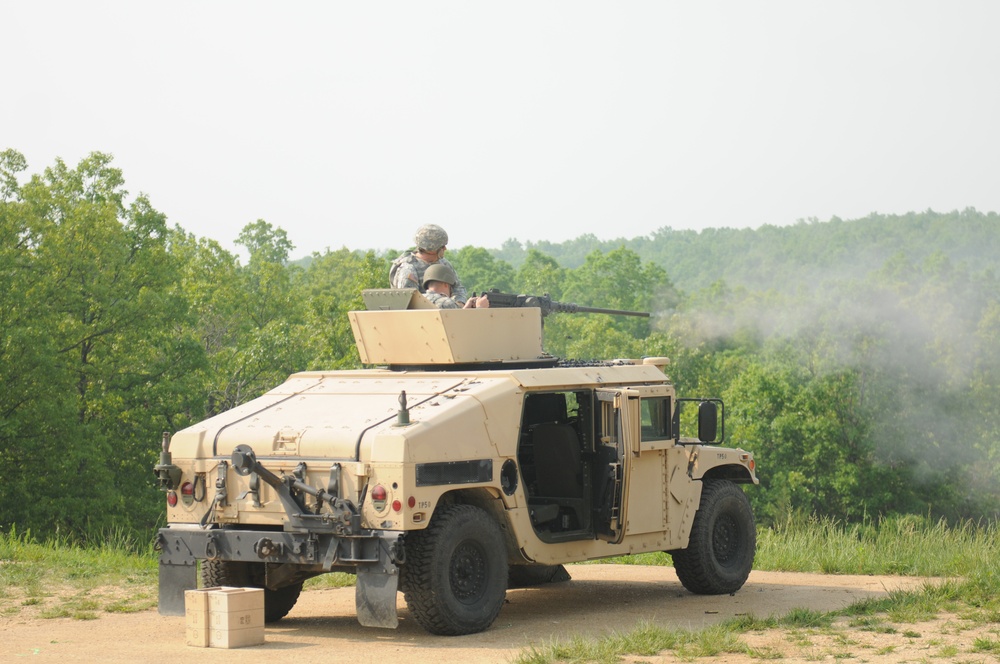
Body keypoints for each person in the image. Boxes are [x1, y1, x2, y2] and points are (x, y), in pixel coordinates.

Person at [389, 224, 468, 303]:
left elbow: (458, 288)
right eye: (442, 246)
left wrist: (459, 303)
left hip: (447, 313)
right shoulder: (407, 268)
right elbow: (410, 300)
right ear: (431, 248)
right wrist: (442, 302)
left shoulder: (444, 264)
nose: (445, 248)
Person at [421, 264, 489, 309]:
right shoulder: (446, 303)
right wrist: (480, 308)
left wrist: (466, 307)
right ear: (446, 284)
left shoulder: (420, 299)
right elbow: (463, 326)